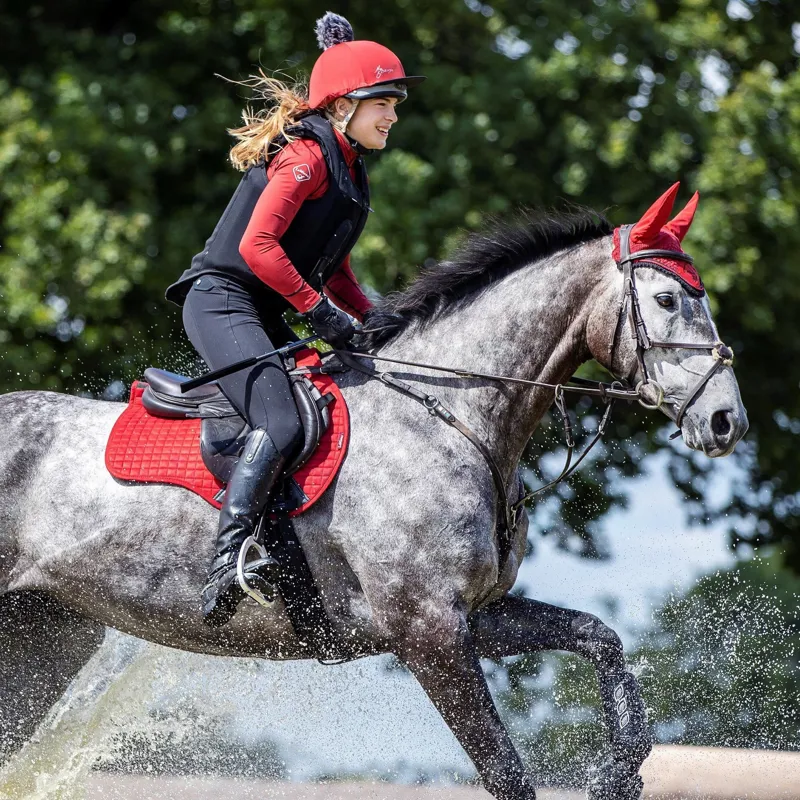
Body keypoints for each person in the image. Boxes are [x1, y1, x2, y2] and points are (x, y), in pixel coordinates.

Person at [165, 12, 425, 626]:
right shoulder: (307, 157)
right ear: (342, 106)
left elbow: (335, 271)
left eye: (394, 103)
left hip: (267, 309)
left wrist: (377, 322)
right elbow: (258, 248)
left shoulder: (350, 167)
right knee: (281, 418)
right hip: (223, 300)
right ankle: (228, 558)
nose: (392, 115)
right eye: (381, 103)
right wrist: (320, 313)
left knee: (336, 399)